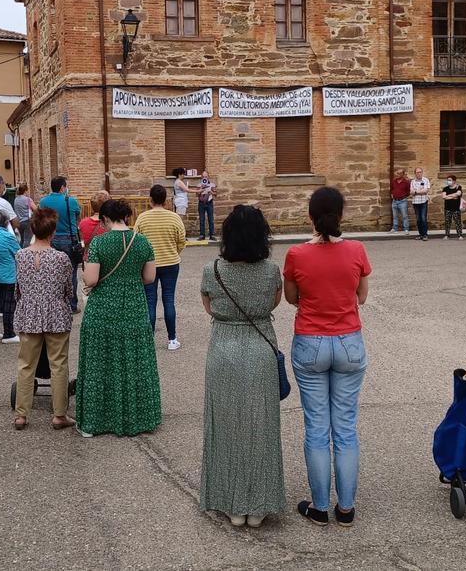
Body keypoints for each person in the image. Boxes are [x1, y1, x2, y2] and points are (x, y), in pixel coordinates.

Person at [283, 187, 371, 527]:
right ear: (341, 215)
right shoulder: (357, 250)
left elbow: (292, 298)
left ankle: (320, 506)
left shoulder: (296, 255)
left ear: (310, 216)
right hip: (348, 340)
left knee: (317, 428)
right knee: (345, 428)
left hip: (310, 342)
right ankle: (346, 507)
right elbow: (361, 297)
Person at [199, 205, 285, 528]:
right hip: (260, 349)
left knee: (225, 427)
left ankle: (231, 503)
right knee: (261, 427)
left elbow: (209, 307)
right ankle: (259, 504)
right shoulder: (271, 271)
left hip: (223, 350)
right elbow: (274, 302)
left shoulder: (213, 270)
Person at [76, 199, 161, 437]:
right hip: (133, 306)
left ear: (104, 219)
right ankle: (139, 418)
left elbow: (91, 279)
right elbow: (149, 277)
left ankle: (94, 422)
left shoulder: (99, 242)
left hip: (103, 308)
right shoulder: (143, 242)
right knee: (134, 360)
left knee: (99, 361)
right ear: (125, 217)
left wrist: (86, 275)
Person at [11, 208, 75, 430]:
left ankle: (21, 414)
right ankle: (59, 414)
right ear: (52, 232)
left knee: (26, 364)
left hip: (28, 312)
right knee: (58, 364)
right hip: (56, 313)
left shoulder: (20, 255)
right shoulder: (61, 258)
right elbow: (68, 289)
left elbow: (18, 288)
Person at [134, 184, 188, 350]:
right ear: (166, 199)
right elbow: (181, 240)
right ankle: (172, 339)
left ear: (150, 199)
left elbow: (136, 241)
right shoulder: (174, 218)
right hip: (171, 262)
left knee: (150, 300)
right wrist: (174, 252)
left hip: (149, 264)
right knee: (169, 299)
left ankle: (149, 340)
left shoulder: (143, 218)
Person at [39, 176, 85, 313]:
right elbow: (78, 218)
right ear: (62, 188)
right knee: (71, 273)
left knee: (52, 271)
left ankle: (54, 304)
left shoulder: (43, 202)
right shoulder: (71, 201)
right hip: (69, 240)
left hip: (50, 238)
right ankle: (71, 305)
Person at [0, 210, 22, 346]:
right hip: (8, 275)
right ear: (7, 222)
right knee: (8, 305)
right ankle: (9, 333)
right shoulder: (8, 237)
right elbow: (18, 253)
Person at [79, 190, 112, 256]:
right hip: (105, 258)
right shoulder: (110, 223)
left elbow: (82, 241)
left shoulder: (83, 223)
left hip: (88, 258)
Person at [410, 167, 431, 241]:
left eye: (420, 172)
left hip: (423, 201)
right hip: (415, 202)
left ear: (422, 173)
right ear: (415, 173)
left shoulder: (426, 180)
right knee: (418, 219)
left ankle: (425, 235)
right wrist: (419, 191)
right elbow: (411, 192)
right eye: (417, 172)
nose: (419, 174)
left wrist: (416, 192)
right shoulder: (412, 181)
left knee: (423, 218)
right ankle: (420, 234)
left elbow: (426, 191)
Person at [441, 174, 464, 240]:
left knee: (458, 222)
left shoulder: (458, 187)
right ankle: (447, 235)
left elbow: (458, 194)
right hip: (447, 208)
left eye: (450, 180)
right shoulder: (445, 188)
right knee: (447, 222)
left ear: (454, 181)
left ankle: (460, 235)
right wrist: (453, 196)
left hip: (456, 208)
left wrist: (448, 196)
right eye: (448, 180)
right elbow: (444, 197)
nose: (448, 181)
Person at [390, 168, 412, 235]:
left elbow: (408, 192)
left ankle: (406, 229)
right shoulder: (393, 181)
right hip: (394, 201)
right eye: (397, 173)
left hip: (402, 201)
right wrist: (392, 195)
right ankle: (395, 228)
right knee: (395, 216)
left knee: (404, 216)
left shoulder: (406, 182)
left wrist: (403, 197)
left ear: (403, 174)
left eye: (399, 173)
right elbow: (391, 189)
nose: (397, 174)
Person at [197, 170, 218, 241]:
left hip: (209, 202)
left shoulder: (212, 184)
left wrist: (210, 191)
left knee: (211, 219)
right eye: (203, 176)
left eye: (206, 176)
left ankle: (212, 235)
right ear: (201, 177)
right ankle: (202, 235)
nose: (204, 178)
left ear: (208, 177)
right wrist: (200, 189)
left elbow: (215, 194)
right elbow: (196, 195)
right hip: (201, 203)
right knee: (201, 219)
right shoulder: (199, 185)